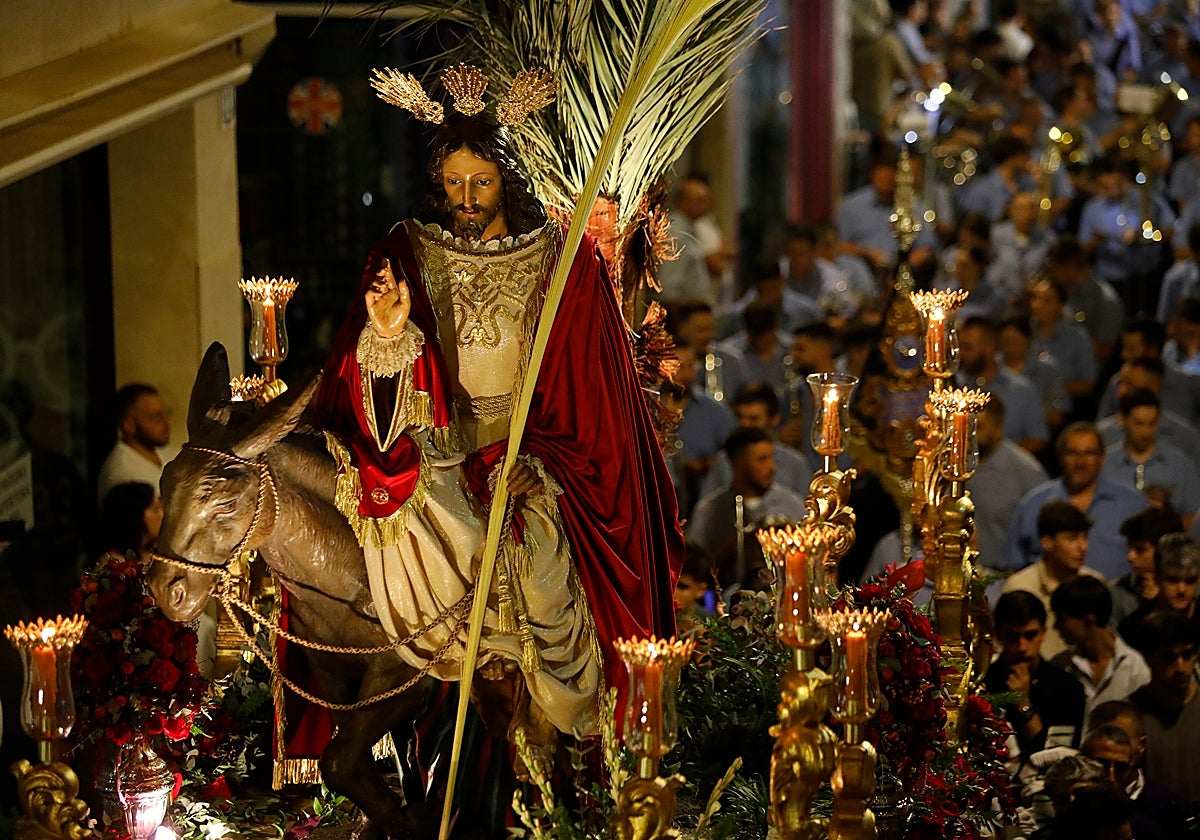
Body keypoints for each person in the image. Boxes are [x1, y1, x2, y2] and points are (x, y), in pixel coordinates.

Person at [313, 94, 684, 743]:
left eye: (480, 182)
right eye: (454, 182)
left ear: (505, 180)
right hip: (444, 451)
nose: (466, 196)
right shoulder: (409, 251)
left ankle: (581, 727)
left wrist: (541, 461)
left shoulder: (555, 258)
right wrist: (389, 335)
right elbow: (365, 370)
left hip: (530, 449)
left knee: (543, 576)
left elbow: (589, 388)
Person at [1004, 423, 1147, 576]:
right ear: (1060, 458)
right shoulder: (1034, 505)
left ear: (1102, 458)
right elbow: (1012, 567)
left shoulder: (1132, 505)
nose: (1080, 462)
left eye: (1089, 454)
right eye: (1073, 453)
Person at [686, 426, 806, 597]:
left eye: (771, 458)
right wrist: (733, 544)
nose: (772, 467)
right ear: (738, 463)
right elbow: (694, 571)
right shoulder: (709, 510)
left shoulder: (792, 504)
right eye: (762, 459)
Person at [1002, 501, 1111, 659]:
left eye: (1085, 537)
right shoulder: (1021, 587)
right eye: (1072, 539)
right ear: (1047, 542)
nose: (1083, 546)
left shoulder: (1095, 583)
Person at [986, 591, 1086, 757]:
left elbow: (1057, 756)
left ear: (1043, 632)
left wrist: (1023, 704)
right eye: (1013, 636)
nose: (1022, 647)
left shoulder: (1067, 688)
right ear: (998, 634)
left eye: (1030, 635)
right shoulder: (983, 682)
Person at [966, 395, 1049, 570]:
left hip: (1006, 575)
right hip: (963, 573)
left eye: (978, 427)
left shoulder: (1027, 471)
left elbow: (1044, 532)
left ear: (998, 428)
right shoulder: (955, 466)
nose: (969, 434)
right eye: (967, 427)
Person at [1049, 575, 1150, 719]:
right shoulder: (1061, 666)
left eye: (1063, 619)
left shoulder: (1136, 669)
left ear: (1089, 621)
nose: (1056, 626)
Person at [1126, 609, 1200, 804]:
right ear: (1148, 657)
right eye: (1169, 657)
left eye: (1187, 655)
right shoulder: (1130, 715)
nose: (1181, 668)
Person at [1100, 388, 1200, 525]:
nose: (1146, 432)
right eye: (1139, 423)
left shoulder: (1179, 464)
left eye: (1152, 423)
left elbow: (1192, 514)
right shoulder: (1104, 465)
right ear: (1122, 420)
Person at [700, 381, 816, 498]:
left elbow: (807, 509)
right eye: (740, 417)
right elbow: (709, 504)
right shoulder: (724, 461)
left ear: (774, 419)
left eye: (753, 419)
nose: (745, 424)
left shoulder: (795, 464)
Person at [956, 316, 1048, 455]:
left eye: (968, 348)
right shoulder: (955, 387)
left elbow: (1037, 438)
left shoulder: (1022, 390)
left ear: (989, 348)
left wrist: (998, 457)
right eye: (960, 347)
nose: (961, 354)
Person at [97, 384, 173, 503]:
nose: (166, 423)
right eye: (156, 417)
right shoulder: (123, 473)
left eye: (166, 413)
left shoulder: (164, 452)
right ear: (129, 426)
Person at [1114, 506, 1184, 615]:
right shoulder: (1119, 589)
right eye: (1129, 548)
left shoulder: (1194, 591)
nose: (1130, 557)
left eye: (1140, 550)